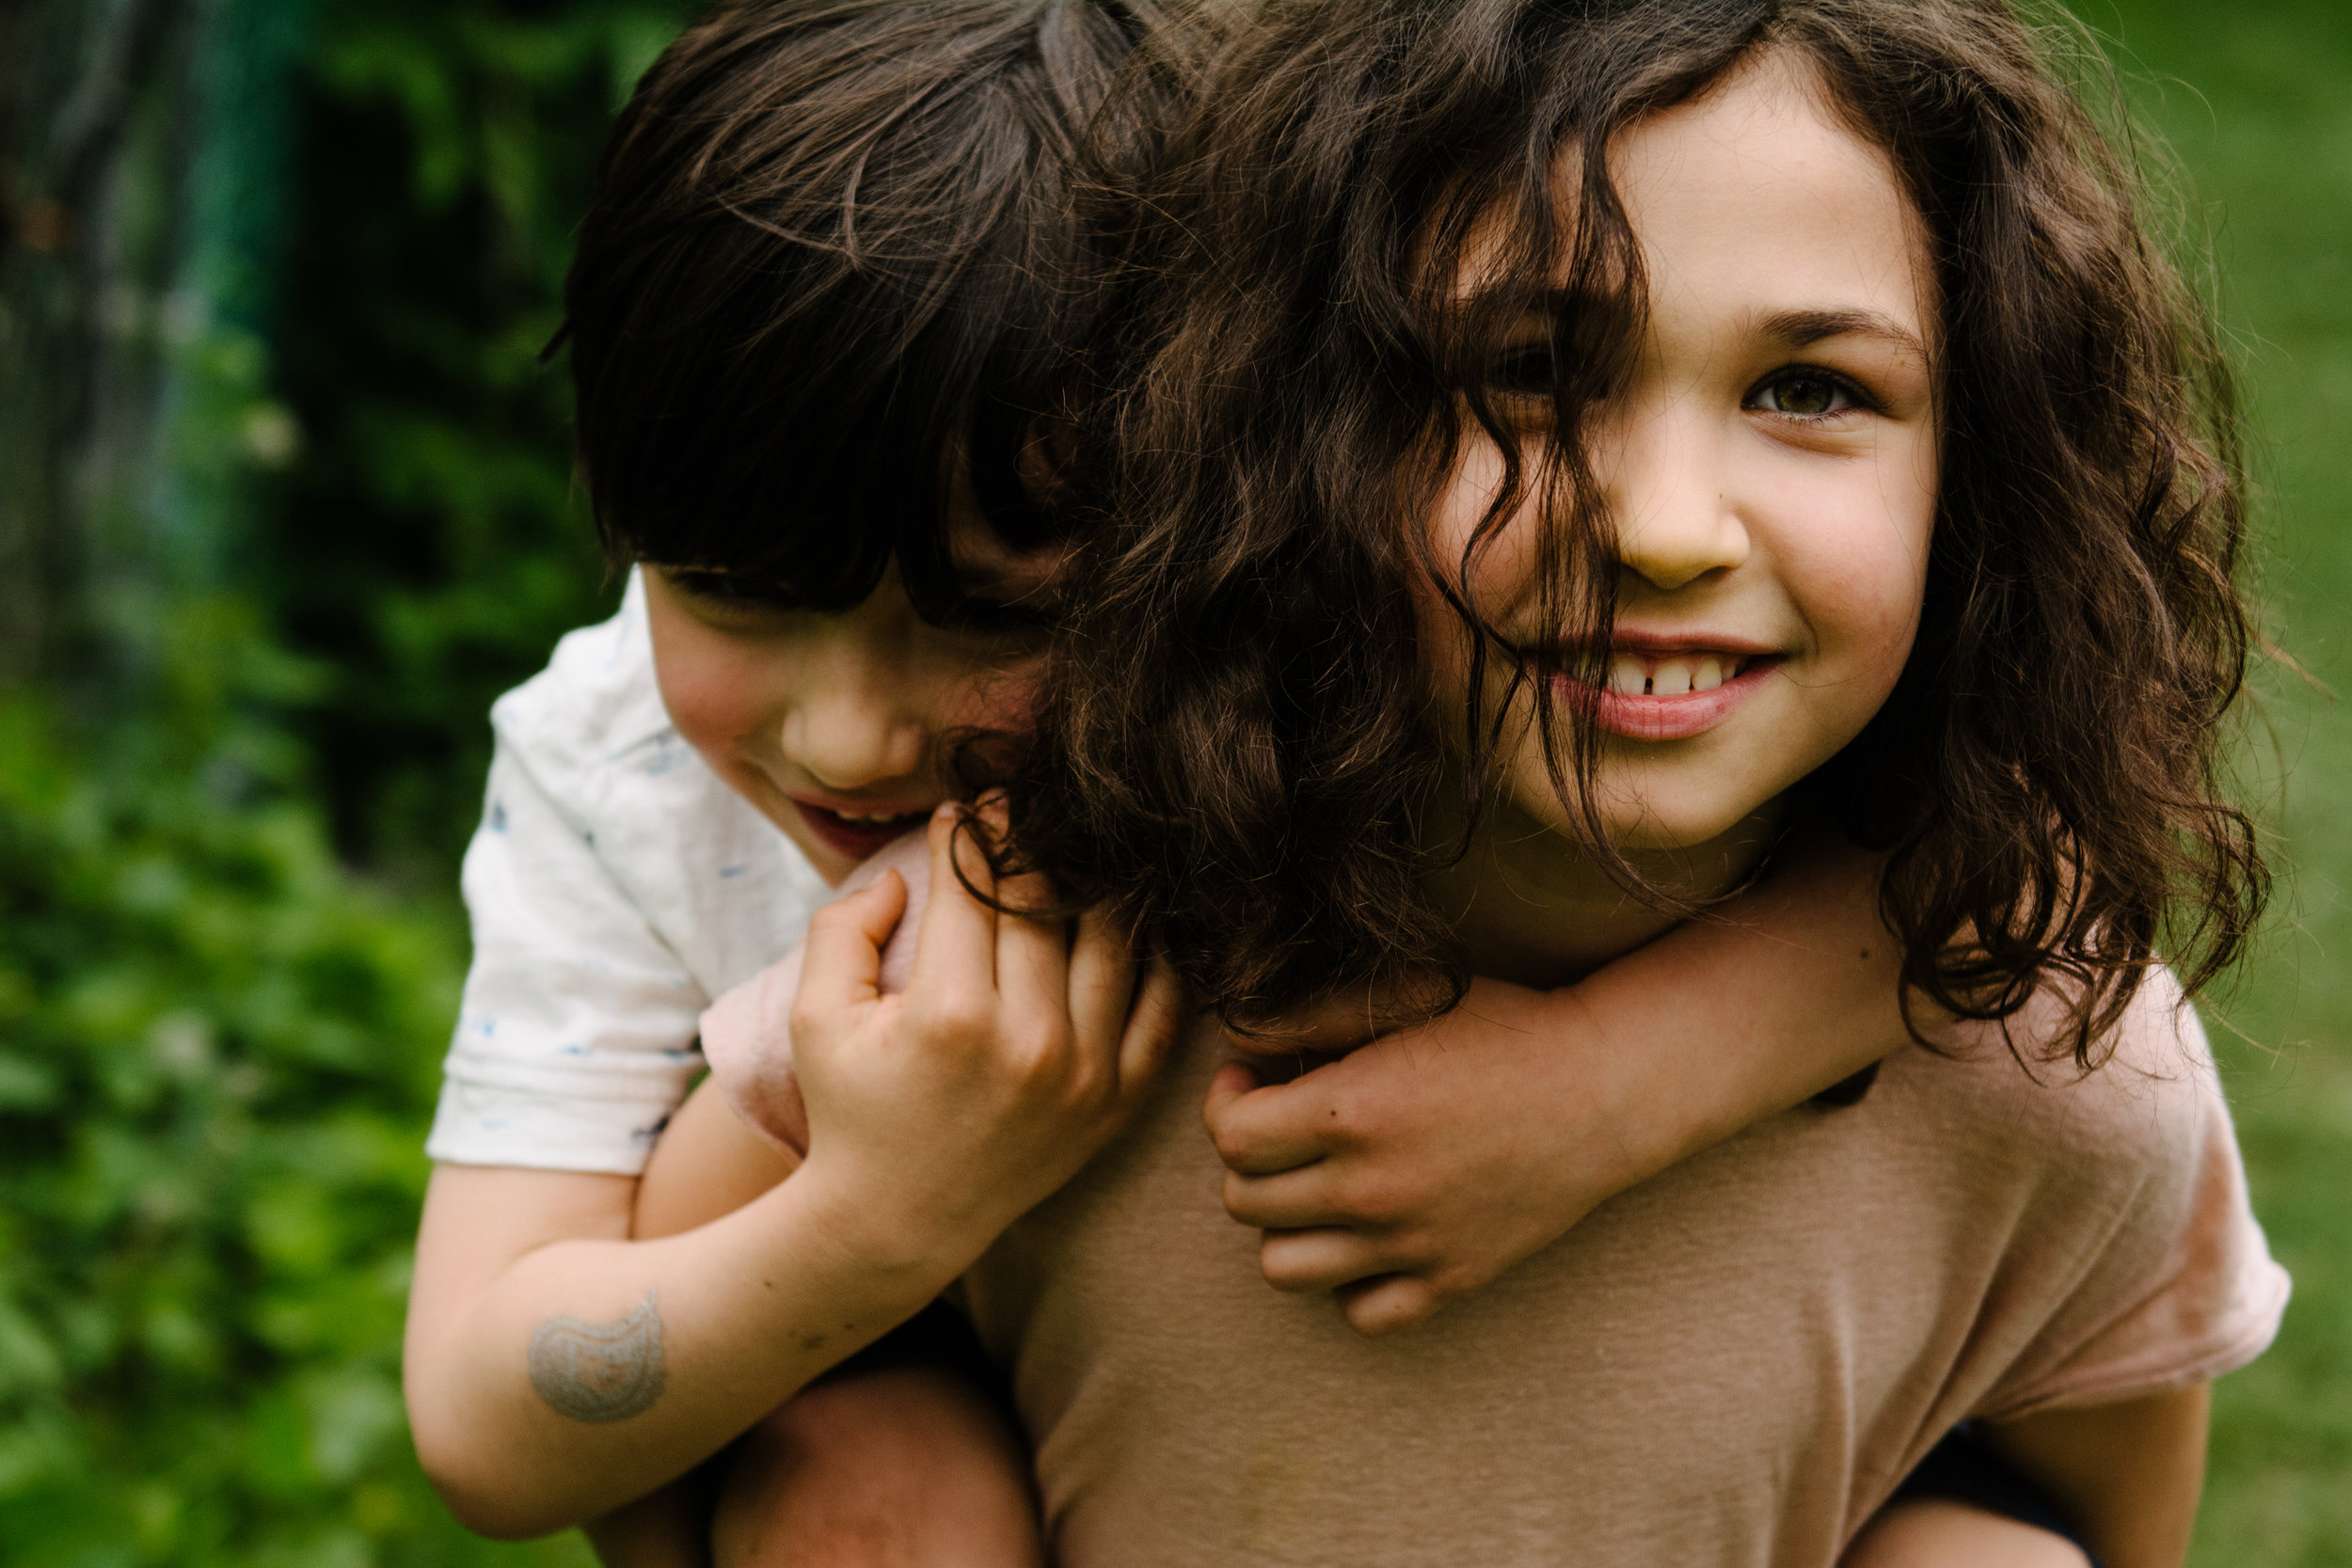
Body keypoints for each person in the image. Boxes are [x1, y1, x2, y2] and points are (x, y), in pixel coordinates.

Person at [407, 1, 2181, 1563]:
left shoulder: (1311, 700)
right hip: (842, 1361)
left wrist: (1618, 1084)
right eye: (737, 596)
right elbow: (490, 1419)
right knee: (870, 1474)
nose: (855, 738)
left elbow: (2030, 864)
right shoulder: (618, 765)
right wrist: (892, 1212)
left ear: (1238, 475)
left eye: (996, 617)